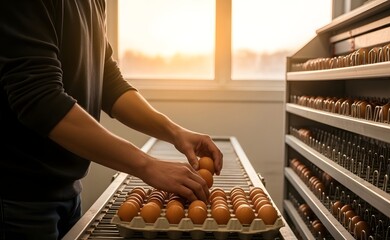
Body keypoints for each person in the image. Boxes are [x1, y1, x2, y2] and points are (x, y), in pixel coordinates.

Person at [0, 1, 223, 239]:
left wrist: (174, 132)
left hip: (67, 188)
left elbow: (107, 80)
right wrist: (147, 165)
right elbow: (41, 99)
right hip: (17, 197)